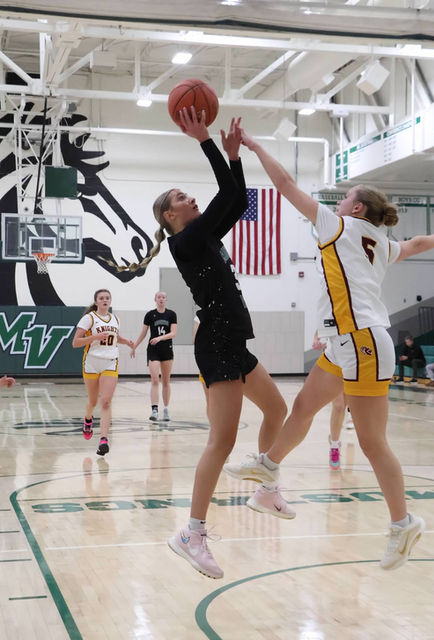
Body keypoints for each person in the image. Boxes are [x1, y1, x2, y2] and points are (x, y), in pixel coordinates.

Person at [235, 129, 434, 570]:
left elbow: (285, 185)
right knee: (303, 407)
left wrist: (256, 147)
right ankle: (268, 469)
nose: (336, 204)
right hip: (346, 342)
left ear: (356, 208)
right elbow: (413, 245)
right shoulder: (378, 242)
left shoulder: (337, 225)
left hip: (363, 341)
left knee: (373, 442)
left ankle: (404, 523)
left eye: (344, 199)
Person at [119, 108, 288, 579]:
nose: (191, 198)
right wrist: (208, 144)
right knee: (222, 440)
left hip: (232, 340)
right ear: (170, 215)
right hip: (217, 343)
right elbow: (227, 197)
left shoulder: (204, 236)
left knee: (277, 411)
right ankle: (191, 533)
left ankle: (266, 488)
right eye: (182, 197)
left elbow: (238, 199)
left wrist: (234, 158)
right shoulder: (187, 241)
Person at [72, 289, 134, 456]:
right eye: (101, 298)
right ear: (96, 301)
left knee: (106, 402)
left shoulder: (115, 319)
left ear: (110, 301)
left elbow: (115, 337)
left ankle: (103, 440)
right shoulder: (89, 318)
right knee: (93, 402)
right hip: (91, 362)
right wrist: (94, 338)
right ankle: (88, 419)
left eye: (107, 298)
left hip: (110, 361)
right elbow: (75, 342)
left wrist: (127, 342)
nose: (105, 300)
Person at [131, 291, 177, 421]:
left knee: (166, 381)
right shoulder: (150, 315)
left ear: (166, 299)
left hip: (167, 350)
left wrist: (159, 338)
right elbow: (143, 333)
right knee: (155, 380)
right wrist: (134, 346)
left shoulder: (171, 314)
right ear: (155, 299)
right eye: (159, 297)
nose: (161, 299)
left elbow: (173, 333)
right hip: (153, 350)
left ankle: (166, 409)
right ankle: (154, 410)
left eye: (163, 297)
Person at [312, 330, 350, 470]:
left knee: (345, 405)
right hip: (334, 359)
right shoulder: (333, 315)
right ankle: (334, 446)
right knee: (338, 406)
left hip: (353, 359)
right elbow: (322, 324)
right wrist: (316, 338)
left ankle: (335, 436)